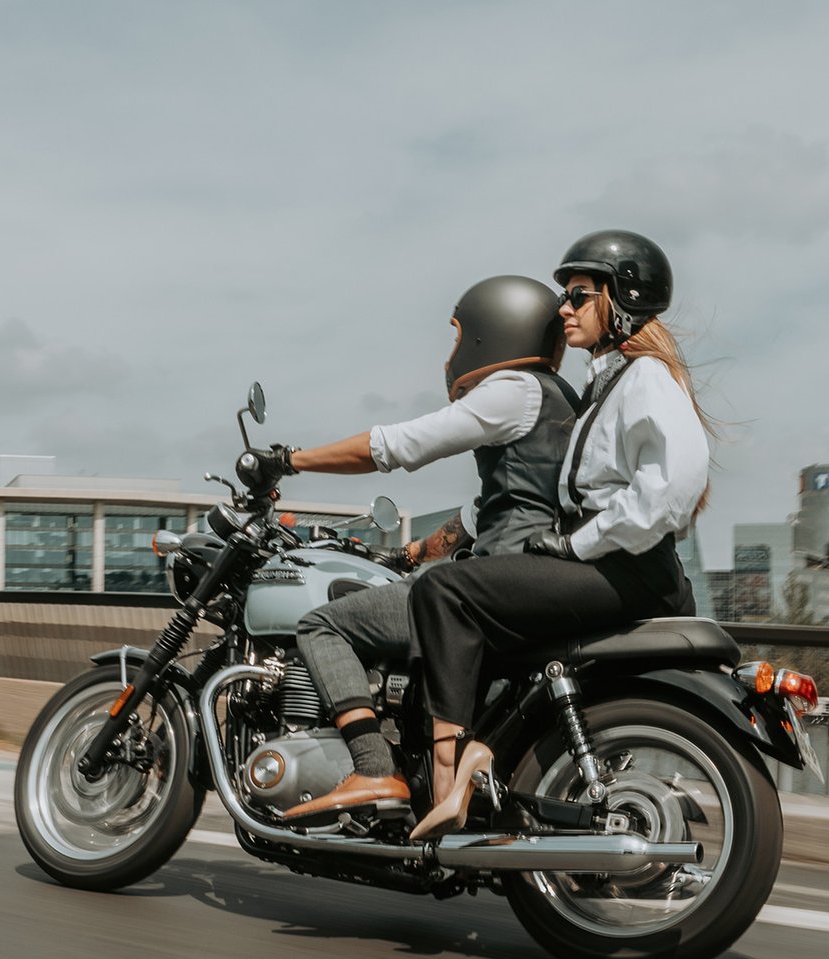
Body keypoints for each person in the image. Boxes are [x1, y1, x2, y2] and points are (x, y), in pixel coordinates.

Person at [236, 275, 578, 821]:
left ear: (491, 334)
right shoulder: (562, 401)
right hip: (534, 578)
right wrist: (414, 554)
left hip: (497, 585)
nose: (452, 352)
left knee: (323, 626)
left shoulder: (514, 388)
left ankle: (374, 768)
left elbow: (394, 446)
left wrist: (290, 460)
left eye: (459, 335)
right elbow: (495, 506)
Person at [407, 230, 713, 841]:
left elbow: (670, 489)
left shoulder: (645, 377)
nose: (563, 308)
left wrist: (577, 544)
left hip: (623, 569)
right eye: (563, 297)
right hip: (622, 568)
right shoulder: (608, 383)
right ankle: (488, 762)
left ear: (619, 299)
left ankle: (448, 778)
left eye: (578, 295)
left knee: (443, 594)